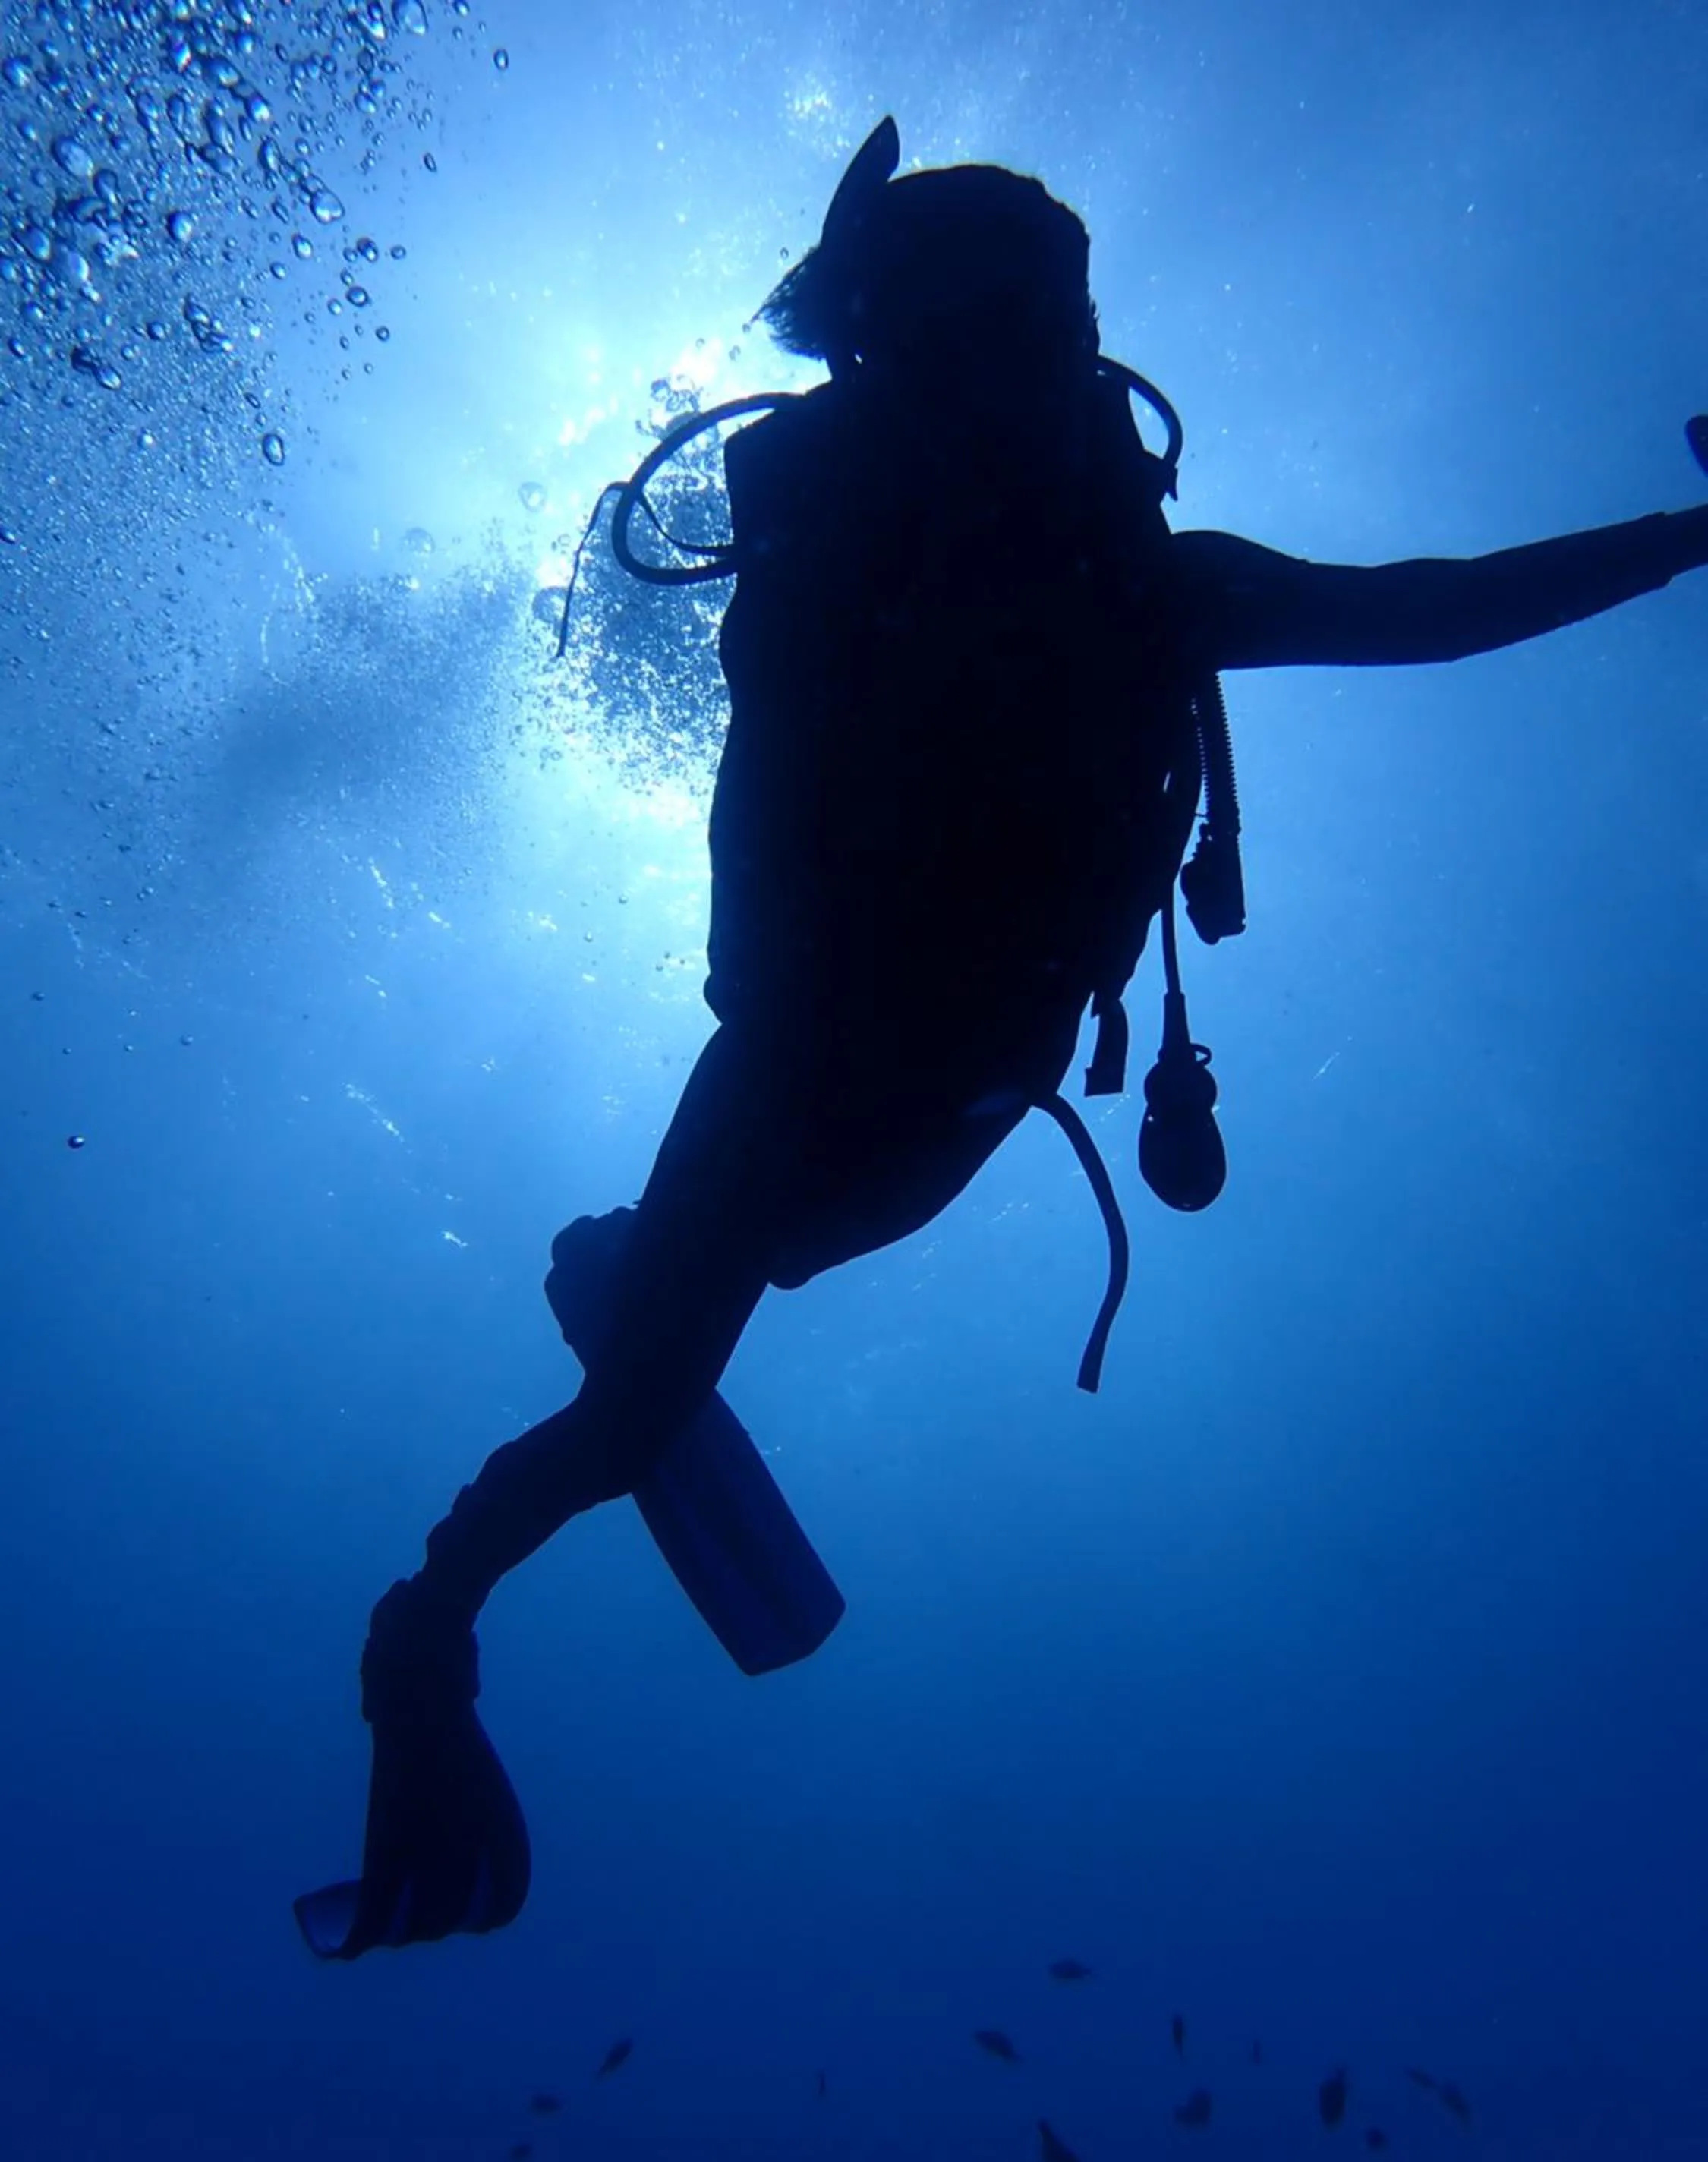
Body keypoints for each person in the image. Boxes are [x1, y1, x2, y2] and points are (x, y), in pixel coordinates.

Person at [295, 118, 1708, 1959]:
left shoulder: (1073, 571)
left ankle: (526, 1469)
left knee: (648, 1385)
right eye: (1041, 320)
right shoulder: (1133, 580)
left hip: (850, 1084)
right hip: (878, 1082)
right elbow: (1426, 609)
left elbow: (1428, 609)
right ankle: (443, 1601)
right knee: (647, 1385)